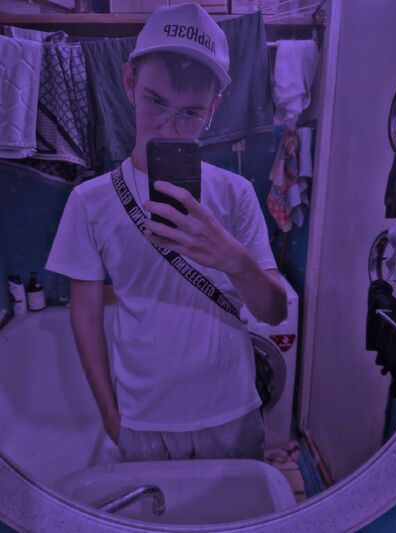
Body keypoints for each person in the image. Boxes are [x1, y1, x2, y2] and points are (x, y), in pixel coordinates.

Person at [46, 2, 287, 463]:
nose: (169, 127)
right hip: (143, 419)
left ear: (213, 110)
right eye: (156, 101)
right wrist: (110, 415)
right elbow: (86, 317)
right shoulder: (89, 202)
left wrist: (233, 259)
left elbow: (274, 313)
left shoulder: (235, 194)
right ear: (130, 83)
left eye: (191, 112)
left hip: (232, 411)